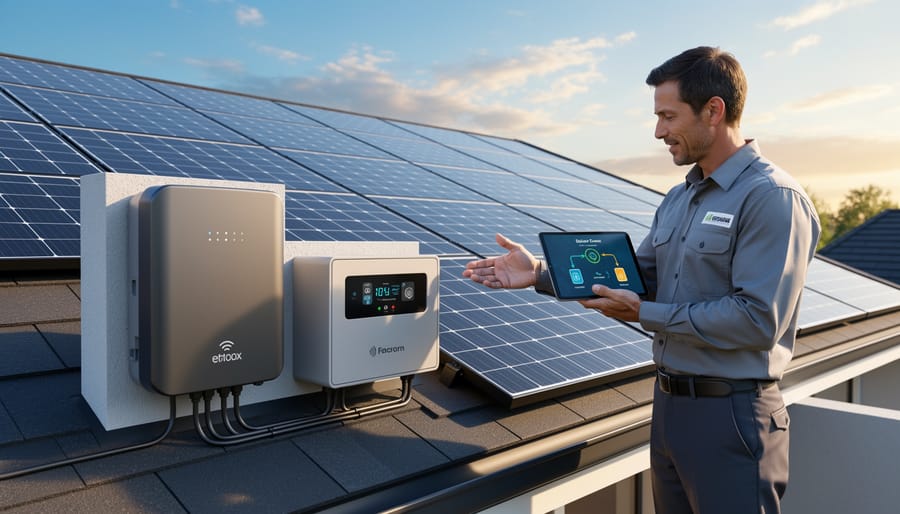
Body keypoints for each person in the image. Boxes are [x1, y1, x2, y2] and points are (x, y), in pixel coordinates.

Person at [463, 46, 820, 514]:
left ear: (713, 110)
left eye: (668, 116)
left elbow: (756, 320)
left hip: (731, 414)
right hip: (671, 408)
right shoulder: (679, 198)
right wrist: (539, 275)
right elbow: (640, 276)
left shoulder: (772, 198)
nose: (659, 132)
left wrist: (644, 314)